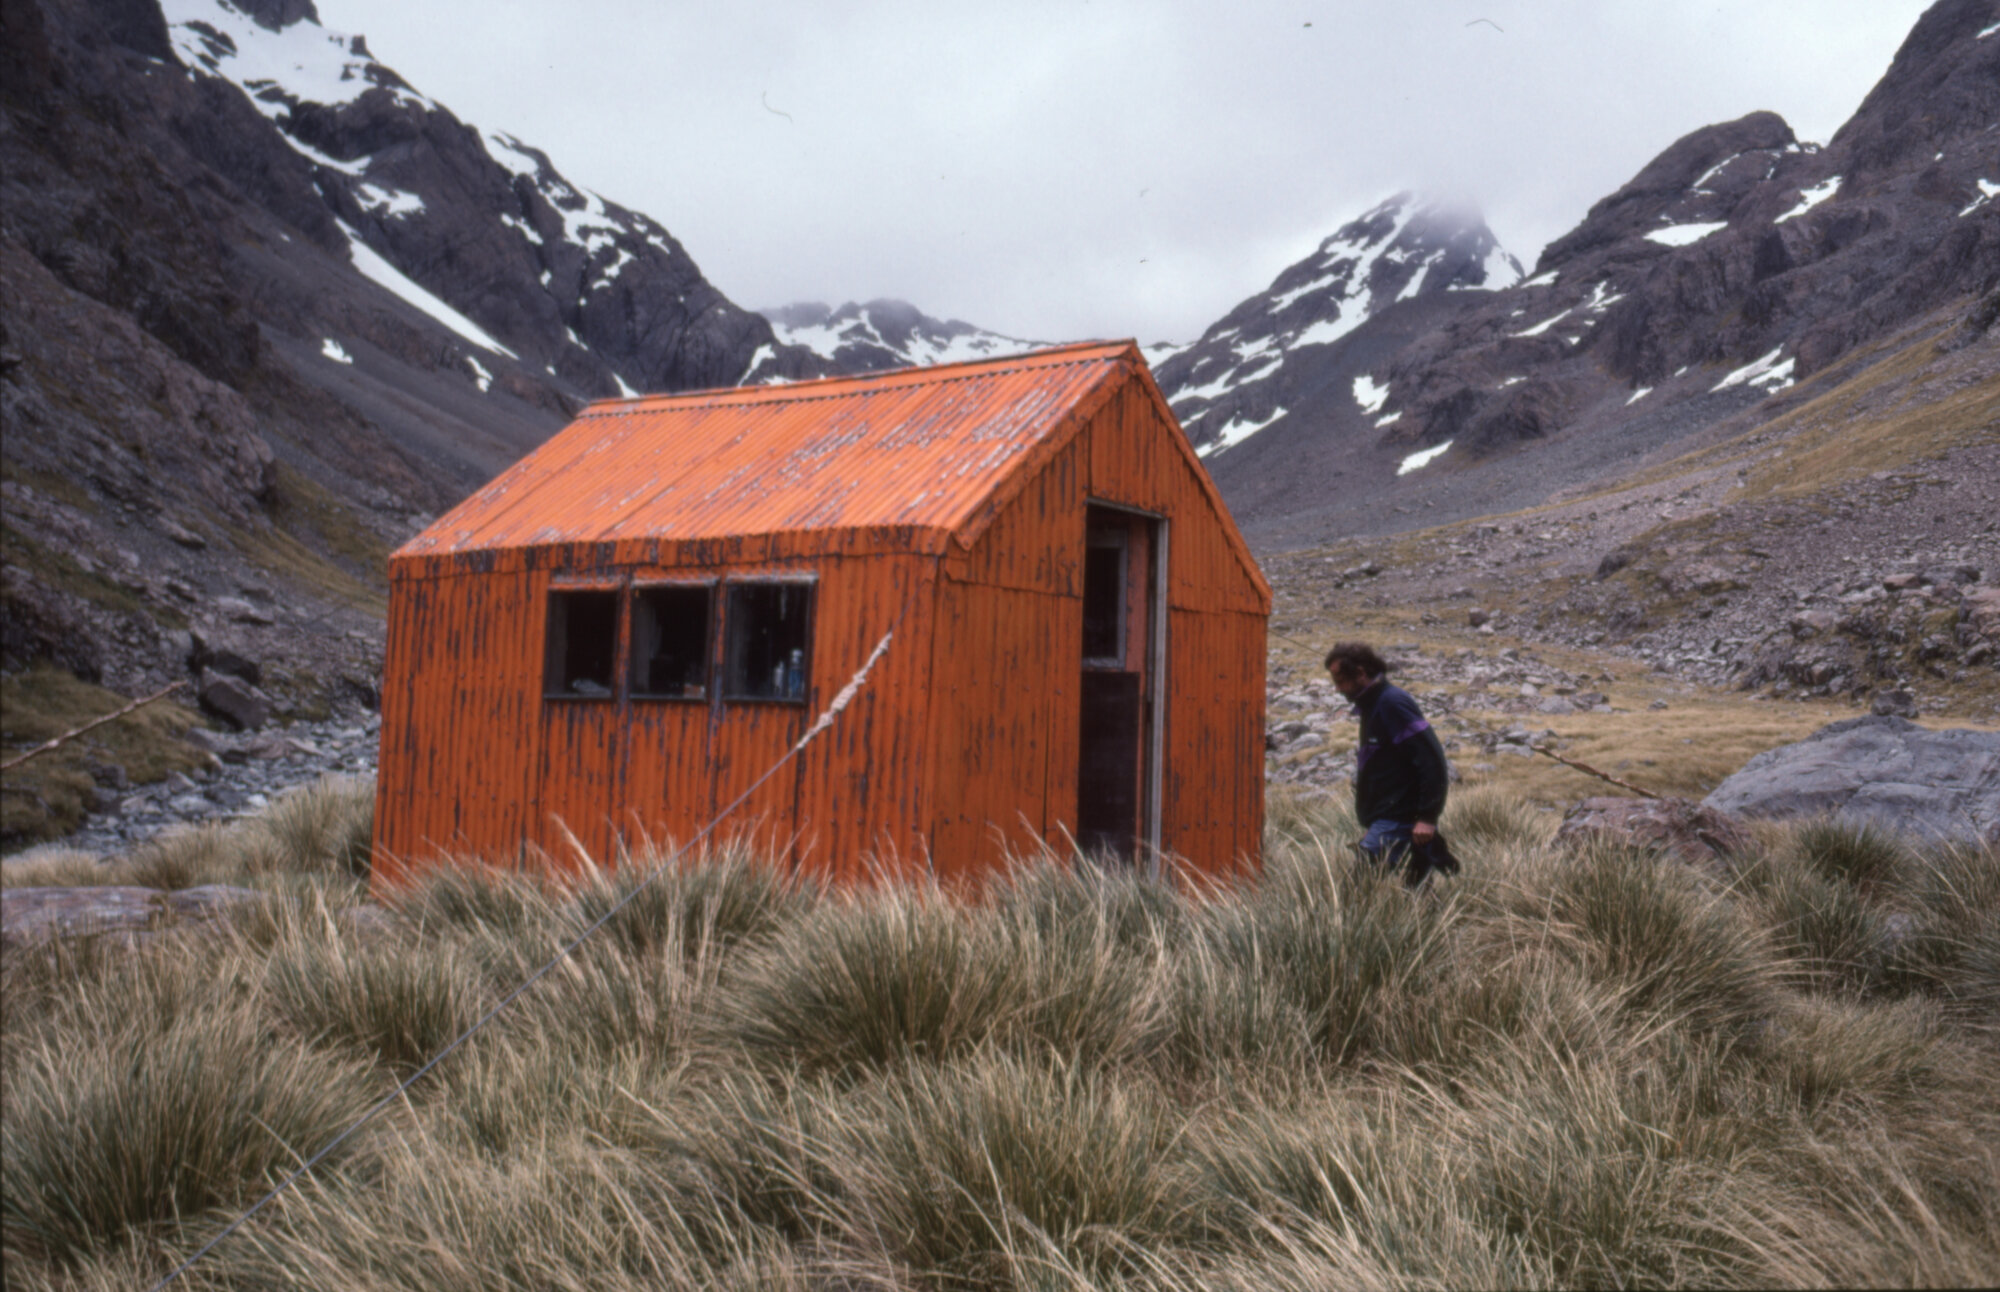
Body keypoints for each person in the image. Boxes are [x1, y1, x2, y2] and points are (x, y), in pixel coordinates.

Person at [1325, 641, 1458, 886]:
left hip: (1398, 819)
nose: (1337, 689)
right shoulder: (1372, 705)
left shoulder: (1392, 703)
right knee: (1415, 889)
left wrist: (1428, 817)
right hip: (1388, 820)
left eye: (1341, 681)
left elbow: (1432, 759)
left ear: (1361, 674)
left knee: (1357, 890)